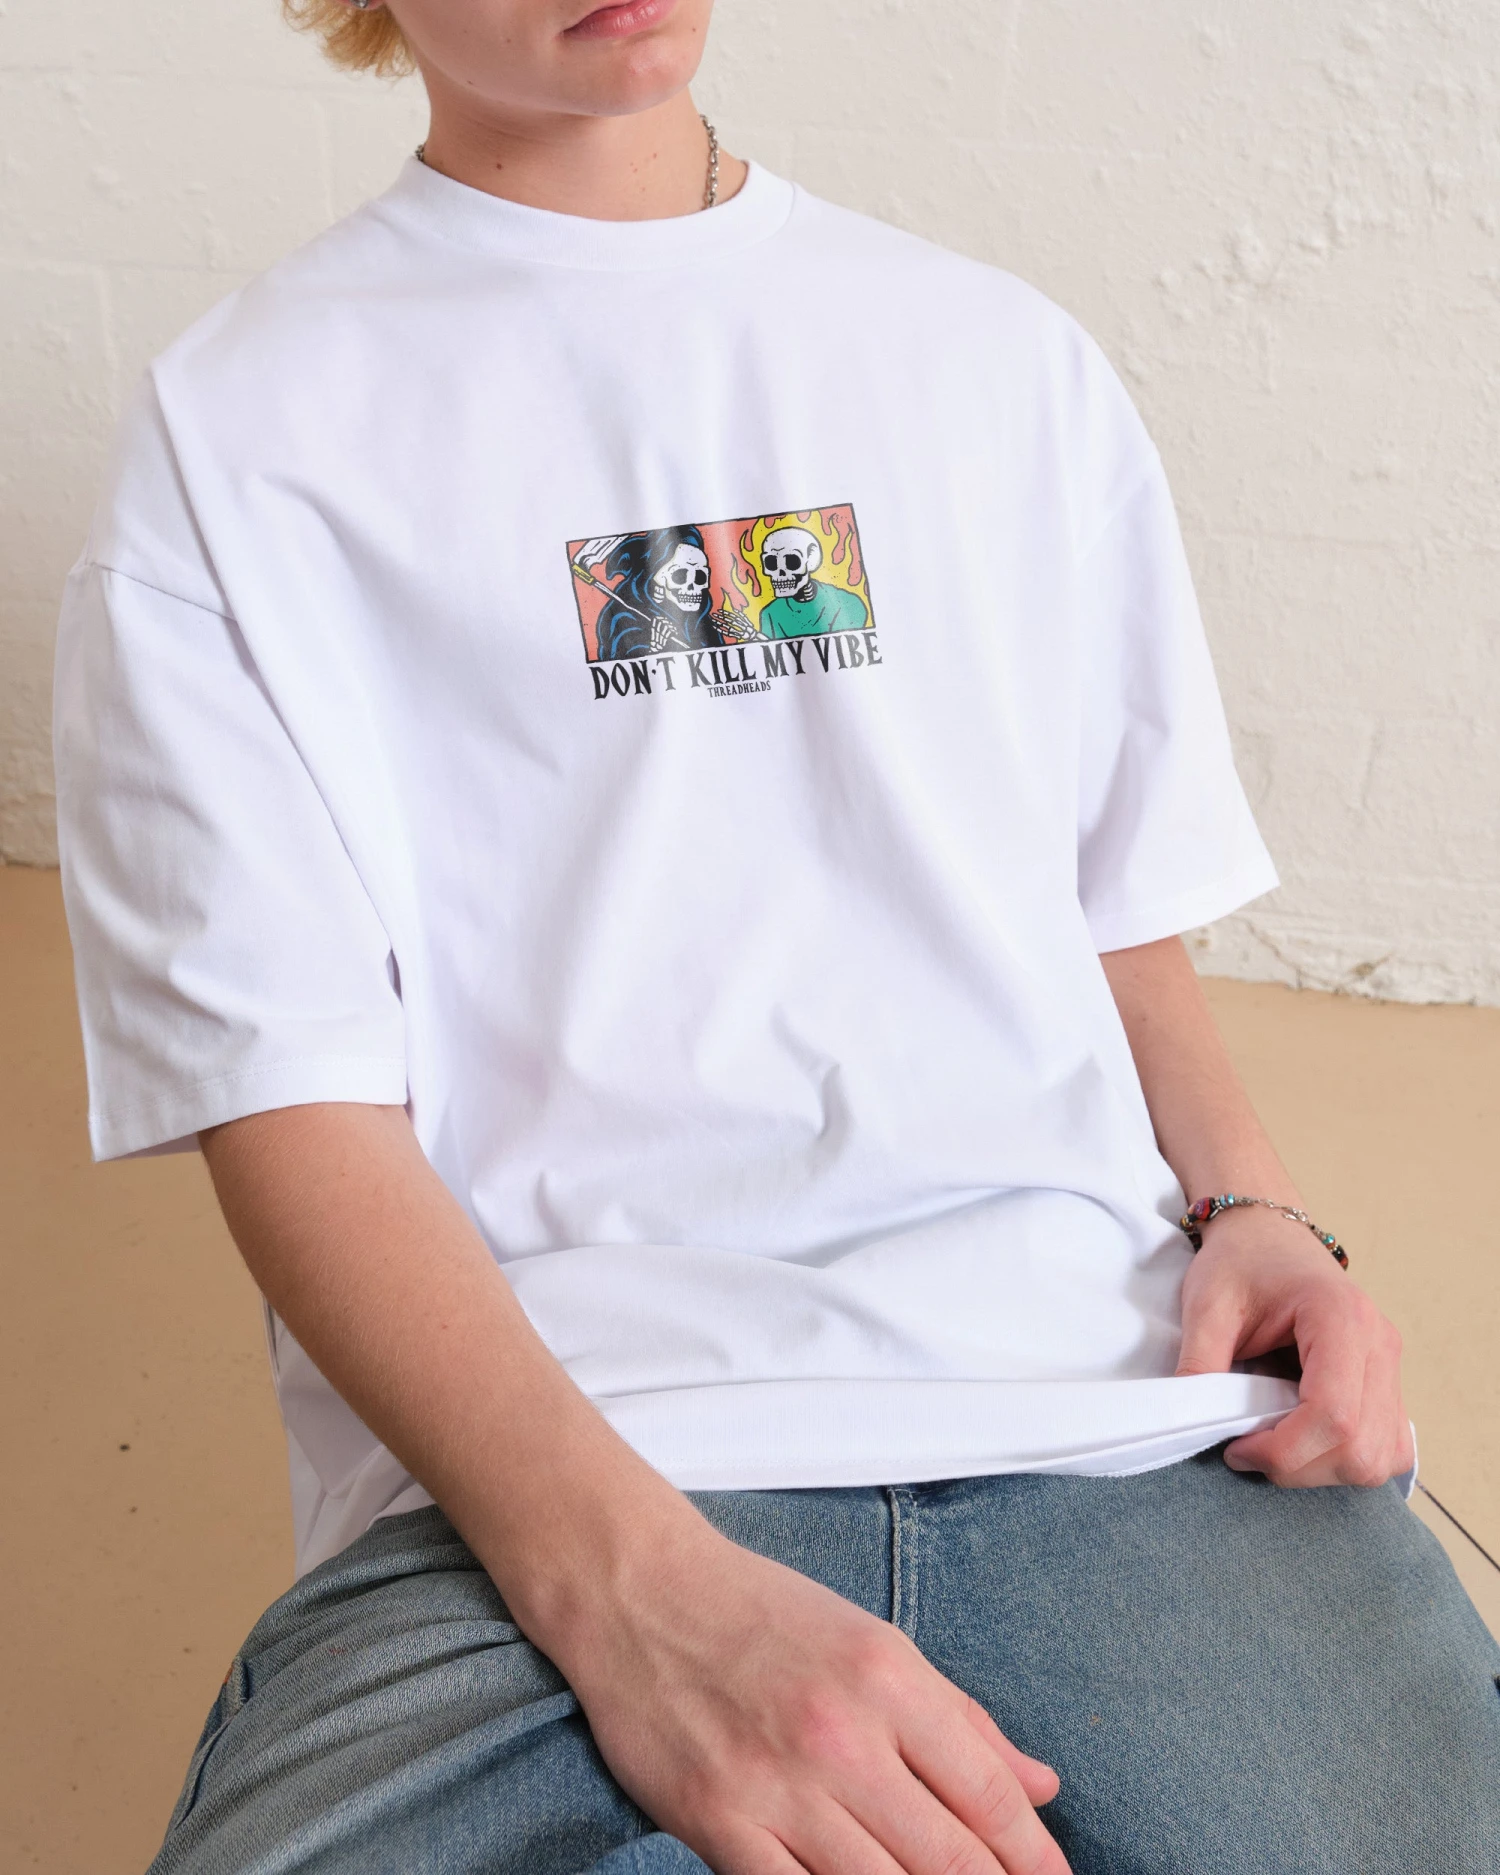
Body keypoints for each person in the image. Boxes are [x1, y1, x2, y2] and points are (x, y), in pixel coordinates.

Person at [52, 1, 1500, 1871]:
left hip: (1127, 1421)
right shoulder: (237, 440)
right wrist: (640, 1604)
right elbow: (289, 1109)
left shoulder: (998, 360)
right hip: (563, 1482)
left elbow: (1107, 907)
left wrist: (1255, 1206)